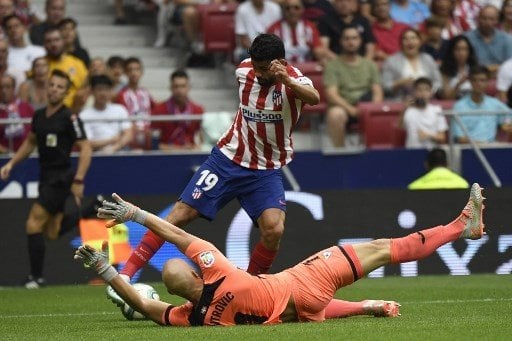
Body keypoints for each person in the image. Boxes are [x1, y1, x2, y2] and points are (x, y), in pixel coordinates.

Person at [76, 182, 485, 325]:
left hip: (297, 307)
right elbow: (175, 234)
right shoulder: (218, 272)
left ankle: (368, 307)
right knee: (383, 248)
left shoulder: (194, 320)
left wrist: (107, 271)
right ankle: (461, 227)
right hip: (302, 282)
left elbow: (148, 310)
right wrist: (136, 214)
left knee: (307, 309)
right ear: (197, 277)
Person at [116, 34, 320, 283]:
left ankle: (249, 289)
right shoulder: (244, 71)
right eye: (255, 67)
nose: (259, 73)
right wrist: (260, 71)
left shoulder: (295, 80)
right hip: (227, 159)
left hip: (265, 170)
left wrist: (286, 80)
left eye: (264, 69)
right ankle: (124, 276)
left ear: (280, 62)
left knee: (274, 229)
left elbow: (314, 97)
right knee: (179, 215)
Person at [0, 69, 93, 288]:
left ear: (66, 92)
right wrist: (12, 163)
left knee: (33, 223)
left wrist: (78, 180)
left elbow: (86, 148)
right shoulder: (39, 115)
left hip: (60, 178)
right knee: (51, 232)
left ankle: (36, 277)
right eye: (52, 85)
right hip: (45, 176)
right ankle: (91, 209)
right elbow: (31, 142)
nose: (54, 89)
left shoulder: (70, 117)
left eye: (60, 87)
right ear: (47, 86)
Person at [324, 25, 383, 147]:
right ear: (341, 42)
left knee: (381, 113)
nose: (351, 42)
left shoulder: (370, 65)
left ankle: (374, 152)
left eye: (354, 38)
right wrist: (351, 109)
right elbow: (332, 94)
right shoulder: (332, 65)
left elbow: (377, 91)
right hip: (344, 107)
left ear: (360, 41)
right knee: (335, 114)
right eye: (347, 39)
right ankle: (339, 152)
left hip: (367, 107)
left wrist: (372, 109)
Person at [452, 65, 512, 143]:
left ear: (488, 82)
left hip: (492, 149)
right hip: (468, 150)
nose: (478, 84)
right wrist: (481, 144)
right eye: (475, 80)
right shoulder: (458, 107)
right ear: (470, 82)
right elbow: (460, 138)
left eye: (482, 80)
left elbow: (509, 116)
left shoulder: (495, 104)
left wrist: (507, 124)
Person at [381, 28, 441, 100]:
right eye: (405, 39)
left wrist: (429, 92)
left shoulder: (428, 59)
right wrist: (399, 83)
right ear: (401, 43)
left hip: (428, 102)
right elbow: (385, 87)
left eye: (413, 38)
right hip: (402, 102)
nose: (410, 42)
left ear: (420, 42)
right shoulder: (392, 61)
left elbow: (438, 82)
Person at [151, 69, 204, 151]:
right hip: (166, 156)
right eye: (176, 86)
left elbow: (202, 141)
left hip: (190, 155)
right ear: (170, 88)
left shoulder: (198, 110)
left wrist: (196, 147)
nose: (179, 90)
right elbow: (154, 145)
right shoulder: (159, 110)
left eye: (183, 86)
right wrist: (178, 149)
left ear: (188, 88)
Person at [80, 75, 133, 154]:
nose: (103, 93)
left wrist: (114, 148)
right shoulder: (84, 115)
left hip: (120, 149)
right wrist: (111, 140)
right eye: (99, 89)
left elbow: (129, 134)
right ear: (92, 91)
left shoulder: (120, 109)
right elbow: (88, 143)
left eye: (107, 89)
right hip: (96, 153)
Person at [266, 0, 329, 64]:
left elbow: (318, 49)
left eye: (296, 8)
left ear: (302, 10)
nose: (292, 11)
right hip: (281, 69)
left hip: (307, 68)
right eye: (288, 8)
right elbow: (268, 54)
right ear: (283, 11)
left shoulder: (310, 27)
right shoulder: (273, 29)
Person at [43, 26, 88, 113]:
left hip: (72, 112)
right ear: (44, 44)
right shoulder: (40, 65)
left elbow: (85, 90)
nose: (53, 44)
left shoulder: (77, 64)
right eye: (49, 41)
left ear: (63, 41)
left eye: (56, 40)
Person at [115, 57, 155, 150]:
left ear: (142, 72)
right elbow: (124, 118)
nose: (134, 73)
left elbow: (155, 110)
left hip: (148, 133)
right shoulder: (121, 95)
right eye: (130, 70)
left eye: (137, 69)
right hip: (132, 136)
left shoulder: (145, 92)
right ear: (125, 73)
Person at [465, 5, 512, 77]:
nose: (488, 22)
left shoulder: (506, 39)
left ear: (497, 21)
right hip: (474, 79)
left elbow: (509, 66)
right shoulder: (467, 38)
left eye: (491, 19)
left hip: (500, 79)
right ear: (478, 19)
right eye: (484, 18)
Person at [401, 77, 448, 149]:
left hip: (432, 153)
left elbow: (442, 137)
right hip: (411, 152)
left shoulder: (437, 110)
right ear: (414, 92)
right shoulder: (409, 111)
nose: (423, 93)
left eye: (426, 90)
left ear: (431, 93)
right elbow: (400, 128)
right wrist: (404, 109)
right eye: (419, 90)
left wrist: (428, 135)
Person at [0, 74, 33, 153]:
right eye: (1, 87)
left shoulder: (26, 107)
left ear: (14, 88)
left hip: (26, 156)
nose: (4, 91)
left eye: (8, 87)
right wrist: (7, 152)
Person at [439, 35, 478, 100]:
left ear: (469, 51)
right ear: (452, 51)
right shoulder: (445, 70)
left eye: (464, 49)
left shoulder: (475, 68)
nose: (461, 53)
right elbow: (447, 98)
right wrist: (459, 84)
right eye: (457, 49)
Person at [371, 0, 410, 64]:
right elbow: (378, 54)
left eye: (384, 4)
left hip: (406, 63)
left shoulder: (404, 27)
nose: (381, 7)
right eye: (377, 5)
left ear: (390, 7)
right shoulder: (371, 31)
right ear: (374, 9)